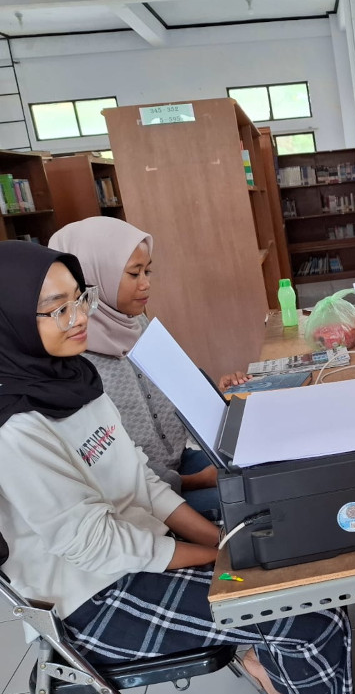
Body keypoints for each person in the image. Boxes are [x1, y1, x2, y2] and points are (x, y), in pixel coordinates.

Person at [0, 241, 355, 694]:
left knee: (291, 534)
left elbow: (139, 479)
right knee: (301, 608)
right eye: (58, 309)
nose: (79, 317)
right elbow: (98, 547)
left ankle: (281, 667)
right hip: (93, 601)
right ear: (3, 321)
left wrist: (223, 543)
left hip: (138, 547)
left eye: (80, 298)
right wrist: (219, 558)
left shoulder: (69, 377)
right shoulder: (12, 428)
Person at [49, 217, 250, 518]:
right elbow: (114, 470)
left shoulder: (134, 322)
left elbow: (172, 386)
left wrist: (213, 394)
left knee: (260, 474)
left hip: (181, 461)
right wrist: (195, 481)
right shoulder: (74, 354)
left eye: (147, 271)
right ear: (93, 276)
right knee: (246, 504)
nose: (145, 283)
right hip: (141, 497)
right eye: (134, 273)